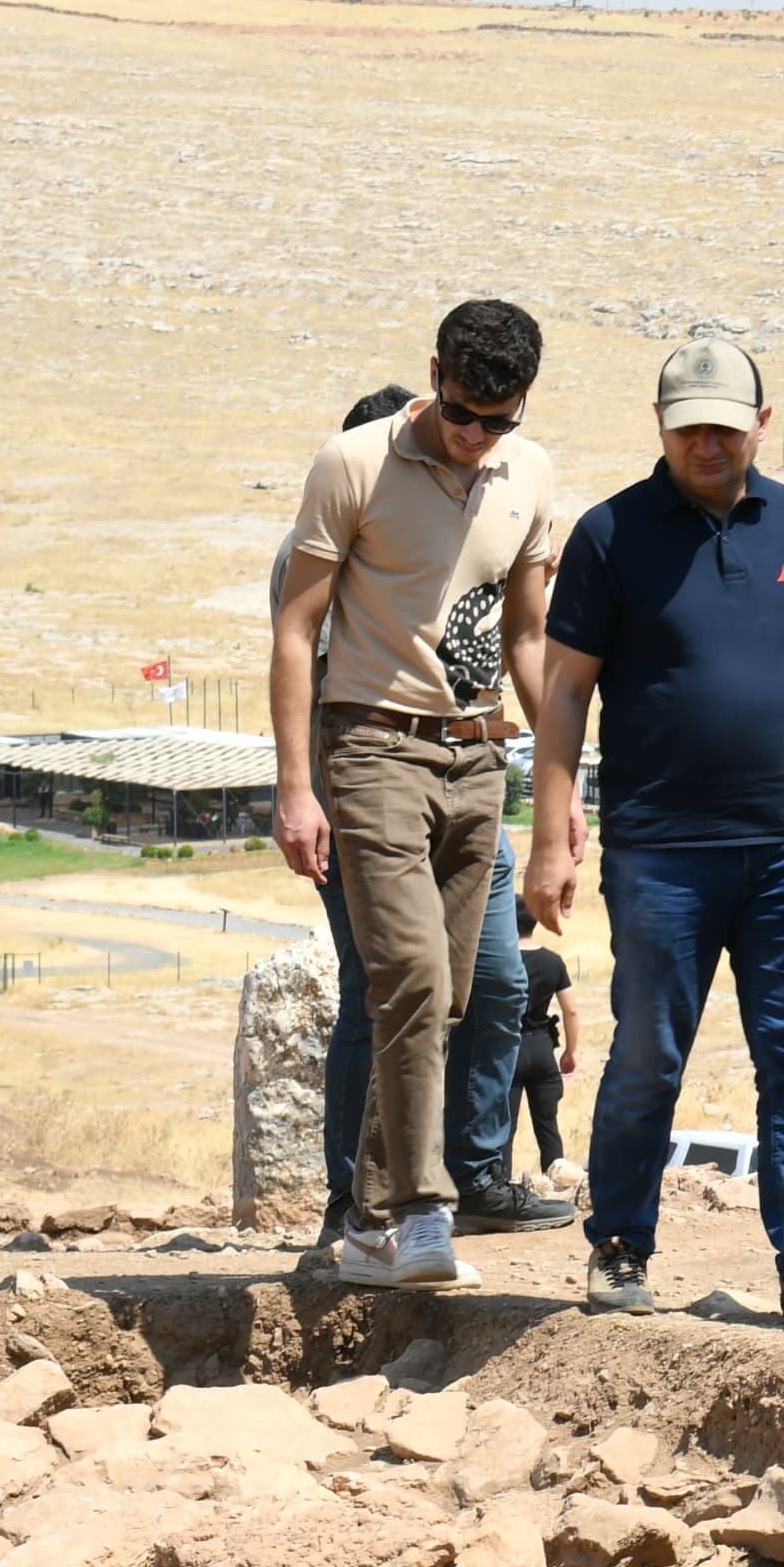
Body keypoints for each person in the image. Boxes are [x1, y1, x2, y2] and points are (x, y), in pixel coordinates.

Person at [523, 333, 784, 1323]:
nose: (707, 444)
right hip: (659, 852)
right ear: (660, 424)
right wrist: (550, 837)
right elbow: (564, 692)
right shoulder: (609, 535)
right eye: (689, 427)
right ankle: (618, 1247)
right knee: (649, 1048)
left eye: (725, 429)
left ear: (759, 425)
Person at [273, 305, 565, 1290]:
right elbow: (294, 633)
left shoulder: (528, 478)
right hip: (369, 752)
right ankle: (406, 1216)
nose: (476, 435)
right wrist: (296, 788)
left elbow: (526, 637)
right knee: (402, 978)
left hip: (478, 759)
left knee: (471, 985)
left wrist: (564, 781)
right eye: (460, 413)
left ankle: (393, 1208)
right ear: (431, 375)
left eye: (498, 419)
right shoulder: (351, 467)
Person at [513, 939, 579, 1183]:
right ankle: (557, 1186)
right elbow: (570, 1009)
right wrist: (571, 1051)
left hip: (509, 1049)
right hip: (542, 1048)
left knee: (504, 1128)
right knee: (548, 1127)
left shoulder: (501, 957)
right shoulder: (552, 961)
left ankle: (496, 1191)